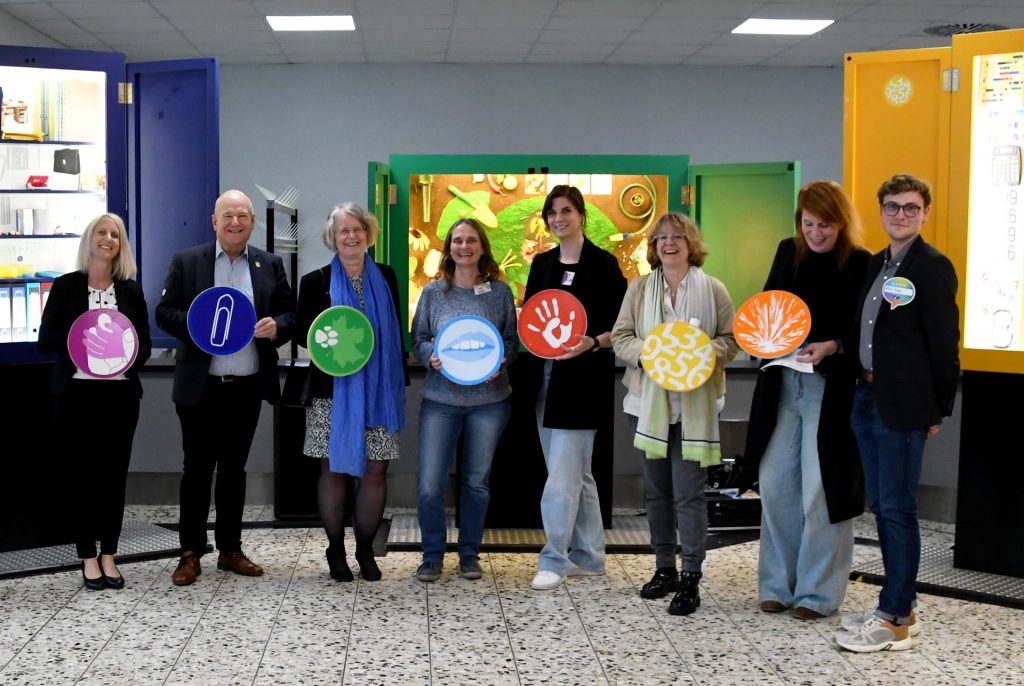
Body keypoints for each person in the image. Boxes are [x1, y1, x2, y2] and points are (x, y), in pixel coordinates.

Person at [835, 174, 960, 652]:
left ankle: (894, 620)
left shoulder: (931, 266)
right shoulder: (878, 264)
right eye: (892, 207)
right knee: (883, 507)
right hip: (867, 399)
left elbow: (944, 346)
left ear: (925, 212)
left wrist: (936, 410)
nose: (901, 215)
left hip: (904, 408)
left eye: (911, 207)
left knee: (898, 511)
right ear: (882, 211)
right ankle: (899, 605)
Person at [742, 181, 870, 620]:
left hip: (828, 389)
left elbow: (861, 332)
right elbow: (767, 307)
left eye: (824, 226)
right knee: (775, 484)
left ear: (841, 223)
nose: (815, 234)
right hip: (782, 384)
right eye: (808, 224)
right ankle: (777, 584)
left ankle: (818, 593)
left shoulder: (859, 263)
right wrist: (763, 341)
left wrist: (831, 347)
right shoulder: (787, 251)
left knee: (822, 491)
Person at [156, 189, 296, 586]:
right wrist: (198, 325)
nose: (235, 223)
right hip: (201, 387)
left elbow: (290, 313)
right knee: (196, 470)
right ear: (214, 221)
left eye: (242, 216)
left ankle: (230, 549)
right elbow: (163, 313)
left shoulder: (269, 264)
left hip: (247, 385)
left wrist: (277, 327)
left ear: (253, 222)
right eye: (227, 216)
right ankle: (190, 552)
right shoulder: (187, 261)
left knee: (235, 470)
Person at [611, 212, 737, 615]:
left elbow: (731, 340)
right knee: (657, 493)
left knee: (689, 493)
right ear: (653, 246)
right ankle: (664, 567)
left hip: (695, 406)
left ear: (691, 242)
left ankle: (691, 576)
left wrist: (700, 355)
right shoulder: (639, 288)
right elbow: (620, 337)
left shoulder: (713, 289)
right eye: (661, 237)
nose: (669, 243)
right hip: (646, 405)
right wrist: (651, 356)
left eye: (677, 236)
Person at [38, 213, 152, 590]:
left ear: (121, 245)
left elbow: (145, 347)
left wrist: (123, 352)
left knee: (113, 478)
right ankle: (88, 555)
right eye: (101, 232)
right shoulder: (67, 287)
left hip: (119, 396)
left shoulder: (131, 291)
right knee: (80, 476)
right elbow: (47, 339)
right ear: (89, 239)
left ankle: (110, 554)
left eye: (115, 234)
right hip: (75, 394)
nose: (107, 239)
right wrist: (81, 342)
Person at [523, 184, 627, 592]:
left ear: (582, 215)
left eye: (566, 210)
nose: (558, 218)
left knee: (562, 478)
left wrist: (594, 343)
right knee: (575, 475)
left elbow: (621, 326)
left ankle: (554, 559)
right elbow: (532, 317)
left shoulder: (604, 264)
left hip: (582, 383)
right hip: (545, 380)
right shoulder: (543, 264)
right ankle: (590, 556)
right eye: (552, 212)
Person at [296, 203, 406, 582]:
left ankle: (365, 549)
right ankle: (335, 548)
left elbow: (393, 332)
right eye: (343, 230)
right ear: (332, 237)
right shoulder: (315, 282)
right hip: (333, 392)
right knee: (334, 469)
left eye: (357, 228)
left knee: (377, 469)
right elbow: (302, 334)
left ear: (368, 233)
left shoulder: (387, 277)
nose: (351, 236)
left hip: (379, 392)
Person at [411, 218, 518, 583]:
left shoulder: (500, 293)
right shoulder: (433, 292)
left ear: (482, 247)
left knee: (476, 482)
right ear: (449, 248)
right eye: (457, 240)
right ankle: (431, 556)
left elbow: (511, 341)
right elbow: (419, 337)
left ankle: (469, 555)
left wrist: (503, 359)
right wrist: (430, 356)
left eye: (471, 240)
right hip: (441, 401)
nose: (464, 246)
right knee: (429, 484)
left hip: (489, 401)